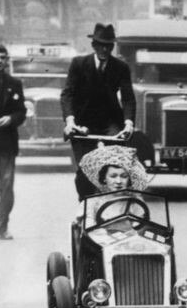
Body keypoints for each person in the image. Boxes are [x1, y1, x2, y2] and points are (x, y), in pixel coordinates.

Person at [60, 23, 136, 199]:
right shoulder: (79, 64)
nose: (104, 49)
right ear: (93, 45)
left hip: (110, 123)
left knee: (115, 167)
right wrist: (70, 121)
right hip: (82, 124)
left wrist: (128, 123)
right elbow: (68, 93)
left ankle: (112, 206)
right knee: (85, 170)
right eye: (100, 45)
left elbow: (128, 98)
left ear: (112, 47)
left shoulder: (120, 67)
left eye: (108, 45)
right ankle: (85, 207)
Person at [0, 44, 26, 240]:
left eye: (2, 58)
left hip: (7, 143)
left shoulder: (15, 83)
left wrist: (11, 119)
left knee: (6, 185)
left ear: (7, 60)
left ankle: (3, 226)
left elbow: (22, 112)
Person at [78, 144, 151, 226]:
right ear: (104, 178)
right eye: (113, 176)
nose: (118, 181)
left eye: (124, 176)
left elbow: (141, 226)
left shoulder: (135, 202)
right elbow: (88, 227)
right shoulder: (92, 203)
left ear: (129, 180)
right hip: (101, 237)